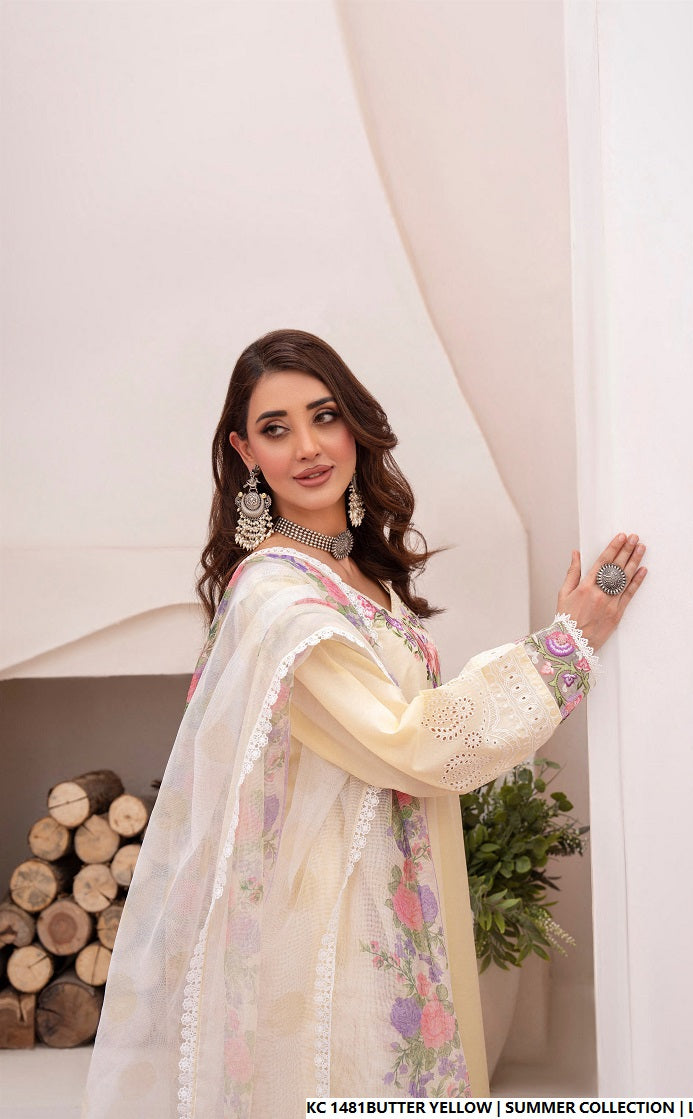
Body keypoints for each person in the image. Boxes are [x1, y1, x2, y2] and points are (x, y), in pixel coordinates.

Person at [83, 329, 647, 1116]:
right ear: (246, 452)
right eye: (276, 428)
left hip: (396, 887)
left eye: (324, 416)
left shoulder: (348, 567)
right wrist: (565, 647)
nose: (309, 447)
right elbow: (411, 741)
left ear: (353, 422)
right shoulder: (278, 597)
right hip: (337, 922)